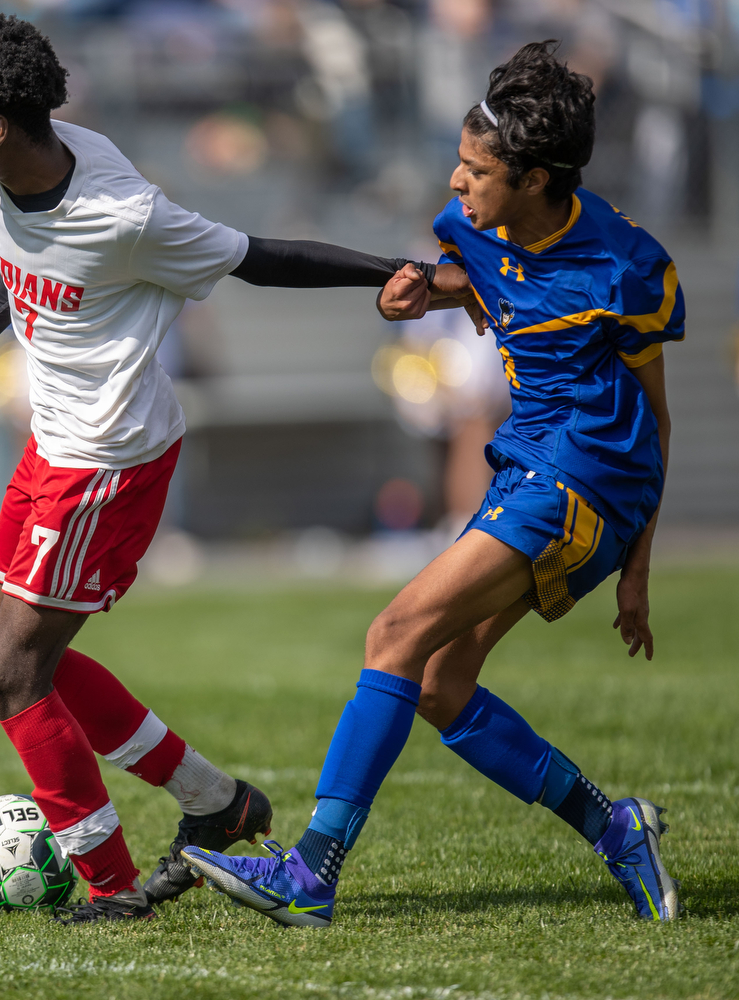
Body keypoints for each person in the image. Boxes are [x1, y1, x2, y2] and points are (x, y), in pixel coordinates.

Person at [0, 15, 462, 923]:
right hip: (53, 446)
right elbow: (20, 262)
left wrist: (399, 271)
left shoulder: (124, 213)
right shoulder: (12, 172)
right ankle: (217, 803)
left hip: (106, 463)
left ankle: (113, 889)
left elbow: (257, 258)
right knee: (30, 661)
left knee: (10, 675)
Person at [183, 40, 683, 927]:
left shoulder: (624, 266)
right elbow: (472, 280)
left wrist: (639, 567)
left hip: (587, 482)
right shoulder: (481, 229)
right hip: (526, 467)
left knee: (394, 634)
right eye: (458, 160)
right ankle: (616, 828)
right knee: (441, 684)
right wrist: (421, 291)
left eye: (476, 169)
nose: (456, 182)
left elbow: (658, 416)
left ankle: (311, 875)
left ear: (534, 180)